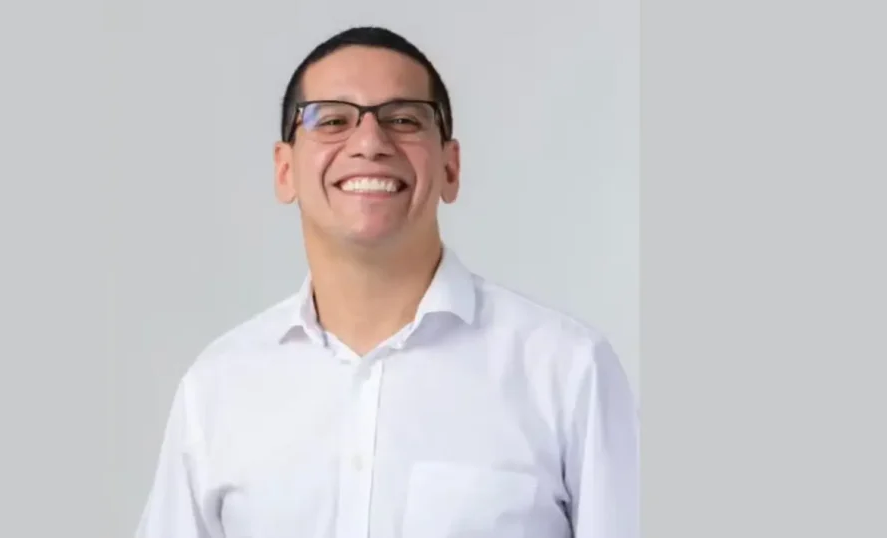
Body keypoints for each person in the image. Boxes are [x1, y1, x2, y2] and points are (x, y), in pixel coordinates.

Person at [135, 25, 639, 538]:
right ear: (285, 171)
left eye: (402, 119)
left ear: (451, 166)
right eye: (332, 120)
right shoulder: (217, 387)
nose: (370, 143)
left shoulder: (569, 372)